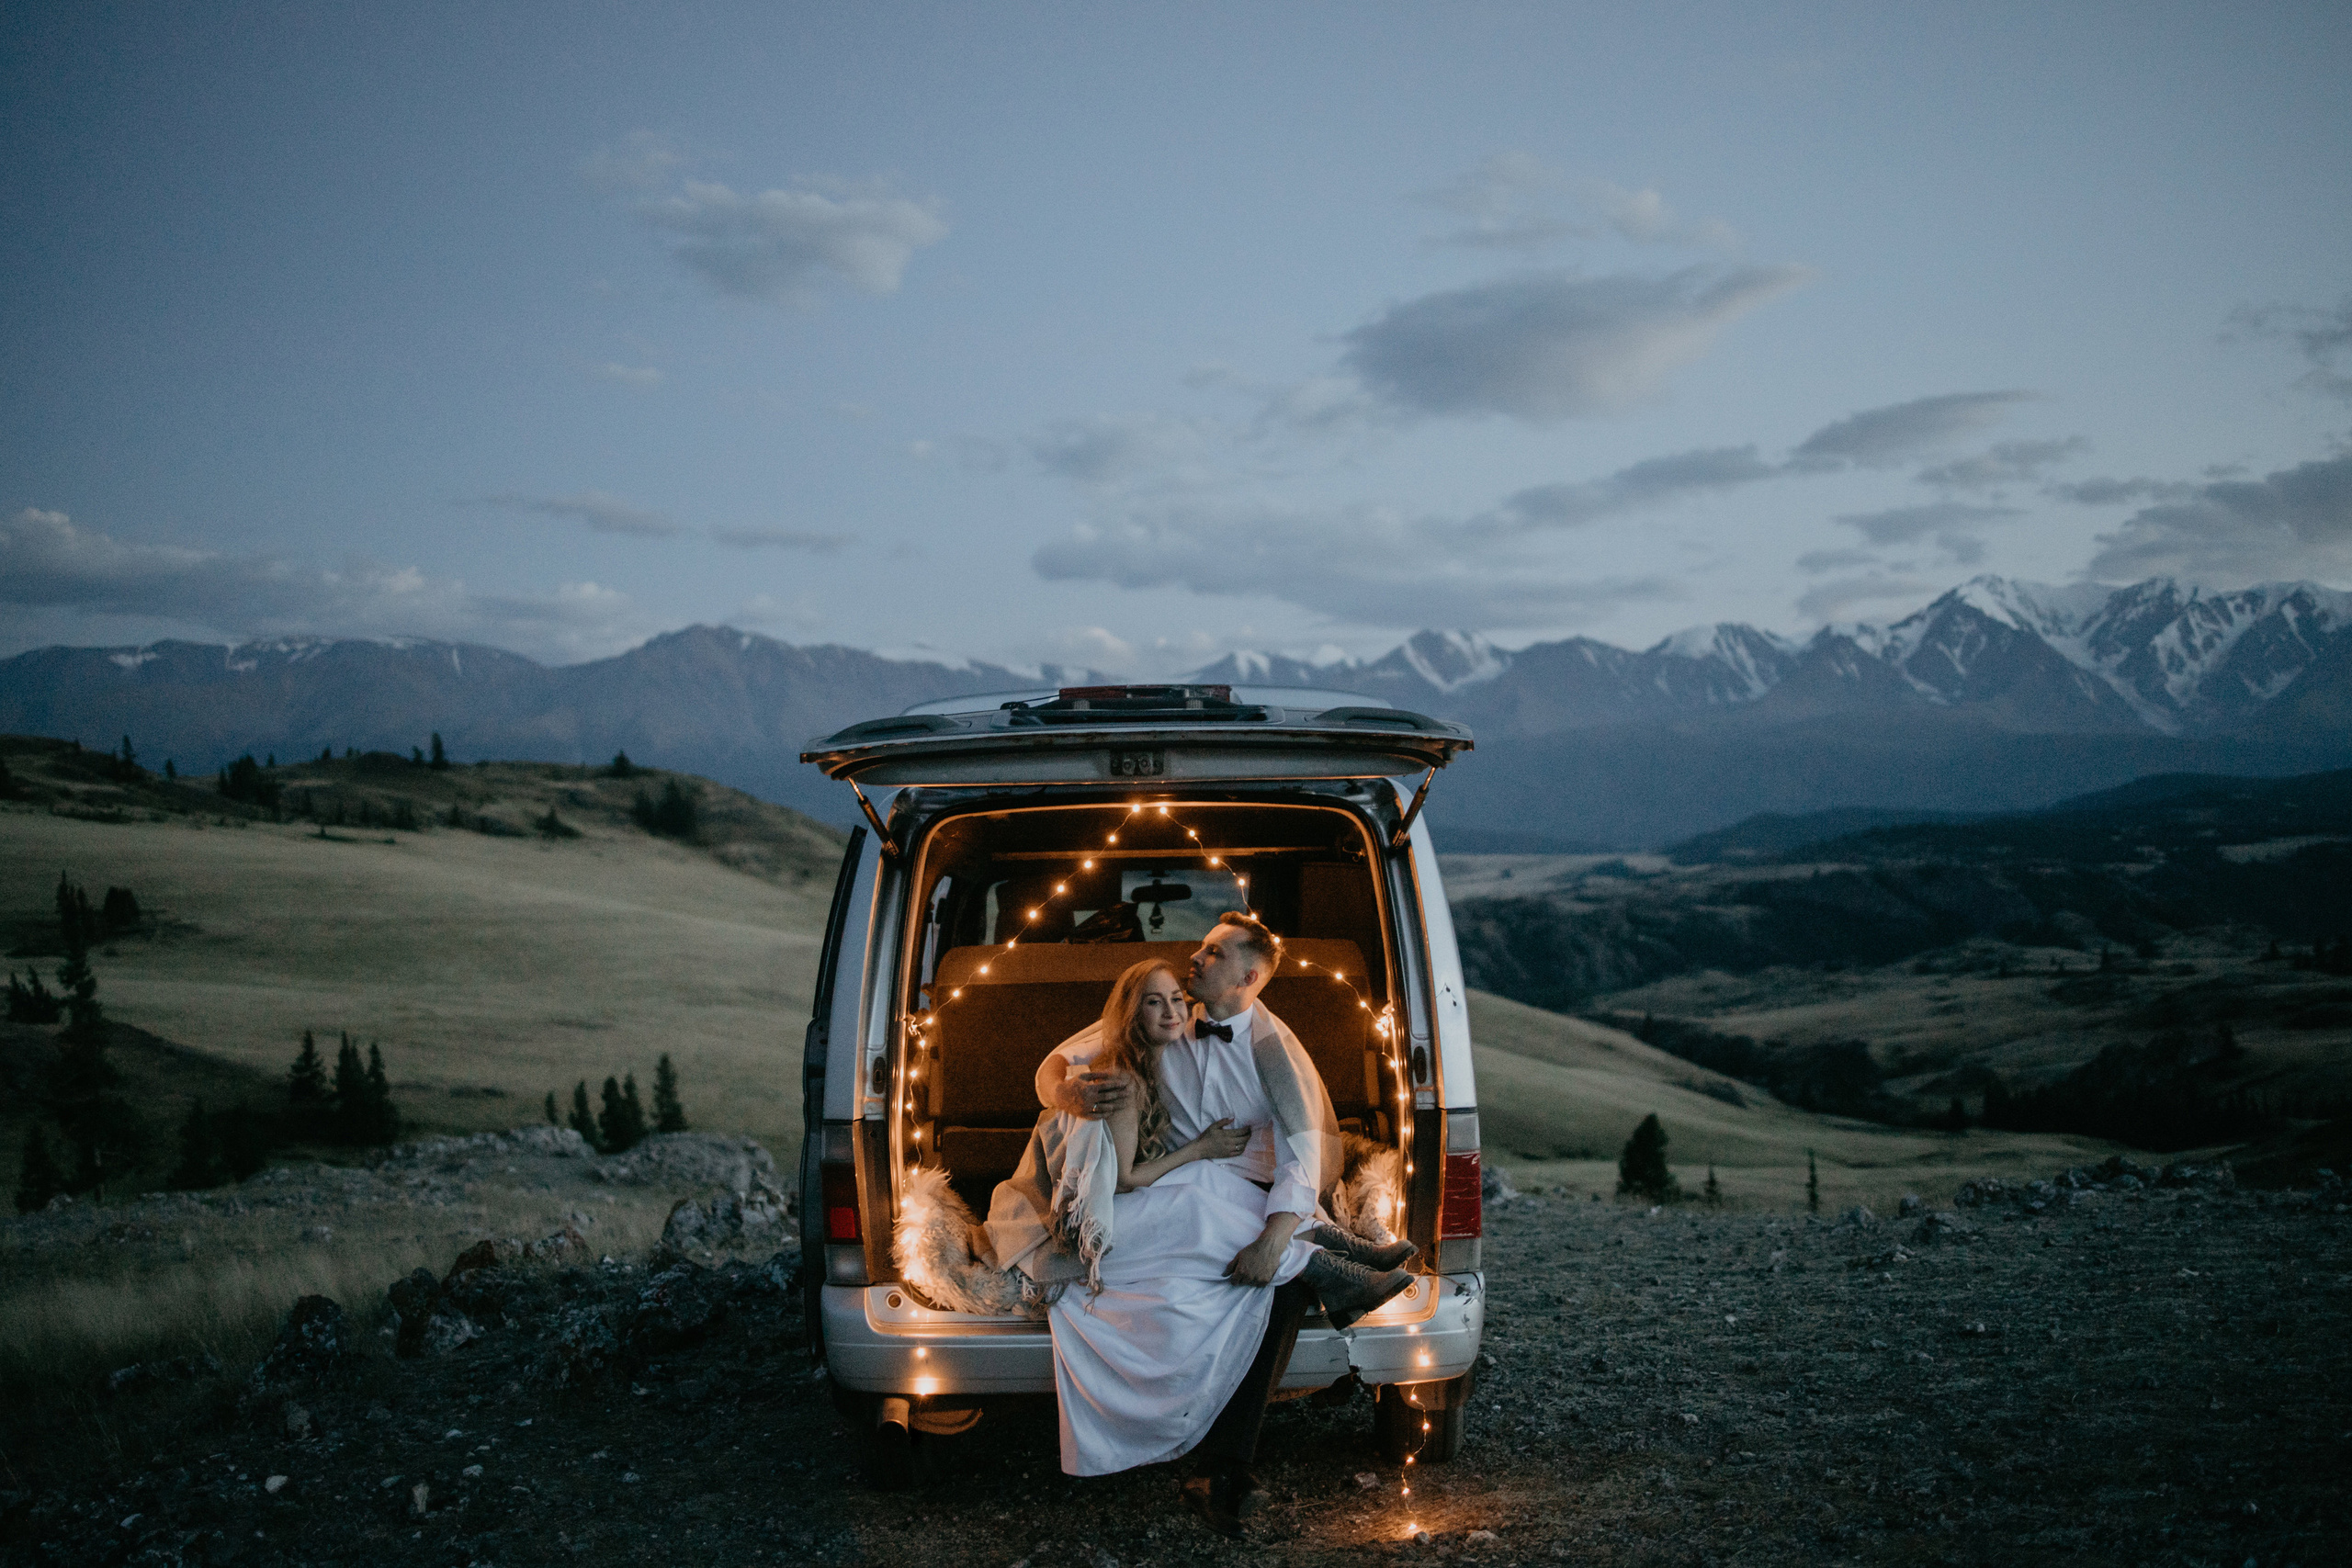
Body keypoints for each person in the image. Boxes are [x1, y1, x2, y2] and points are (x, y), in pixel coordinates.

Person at [1034, 914, 1415, 1537]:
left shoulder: (1271, 1048)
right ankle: (1332, 1262)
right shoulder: (1162, 1012)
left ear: (1251, 976)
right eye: (1202, 947)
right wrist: (1067, 1093)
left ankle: (1225, 1465)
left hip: (1224, 1187)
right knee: (1213, 1196)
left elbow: (1302, 1155)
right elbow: (1055, 1064)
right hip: (1163, 1185)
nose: (1196, 957)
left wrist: (1271, 1238)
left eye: (1214, 952)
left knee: (1264, 1259)